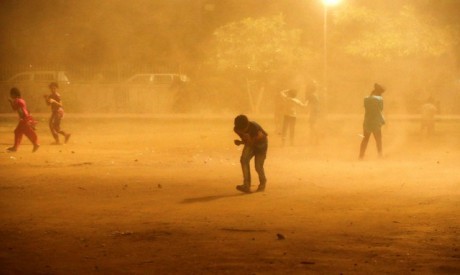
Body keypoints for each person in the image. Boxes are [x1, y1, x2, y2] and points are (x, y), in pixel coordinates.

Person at [233, 114, 268, 193]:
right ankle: (246, 185)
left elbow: (263, 136)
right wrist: (241, 142)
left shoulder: (254, 127)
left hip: (261, 146)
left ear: (248, 124)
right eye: (240, 130)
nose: (242, 131)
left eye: (243, 129)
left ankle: (262, 182)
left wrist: (246, 141)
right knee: (244, 160)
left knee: (258, 166)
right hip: (250, 144)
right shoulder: (237, 129)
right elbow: (247, 141)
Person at [7, 87, 40, 152]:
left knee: (26, 132)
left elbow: (17, 110)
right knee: (20, 131)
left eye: (11, 94)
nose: (11, 96)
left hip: (24, 118)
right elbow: (24, 109)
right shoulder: (22, 100)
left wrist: (22, 118)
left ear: (14, 94)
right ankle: (16, 147)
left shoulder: (16, 100)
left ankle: (35, 144)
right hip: (26, 117)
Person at [359, 83, 386, 159]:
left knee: (365, 139)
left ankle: (361, 156)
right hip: (375, 122)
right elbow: (380, 109)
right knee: (378, 140)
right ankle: (380, 156)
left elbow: (366, 108)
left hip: (367, 121)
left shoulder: (366, 99)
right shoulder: (380, 99)